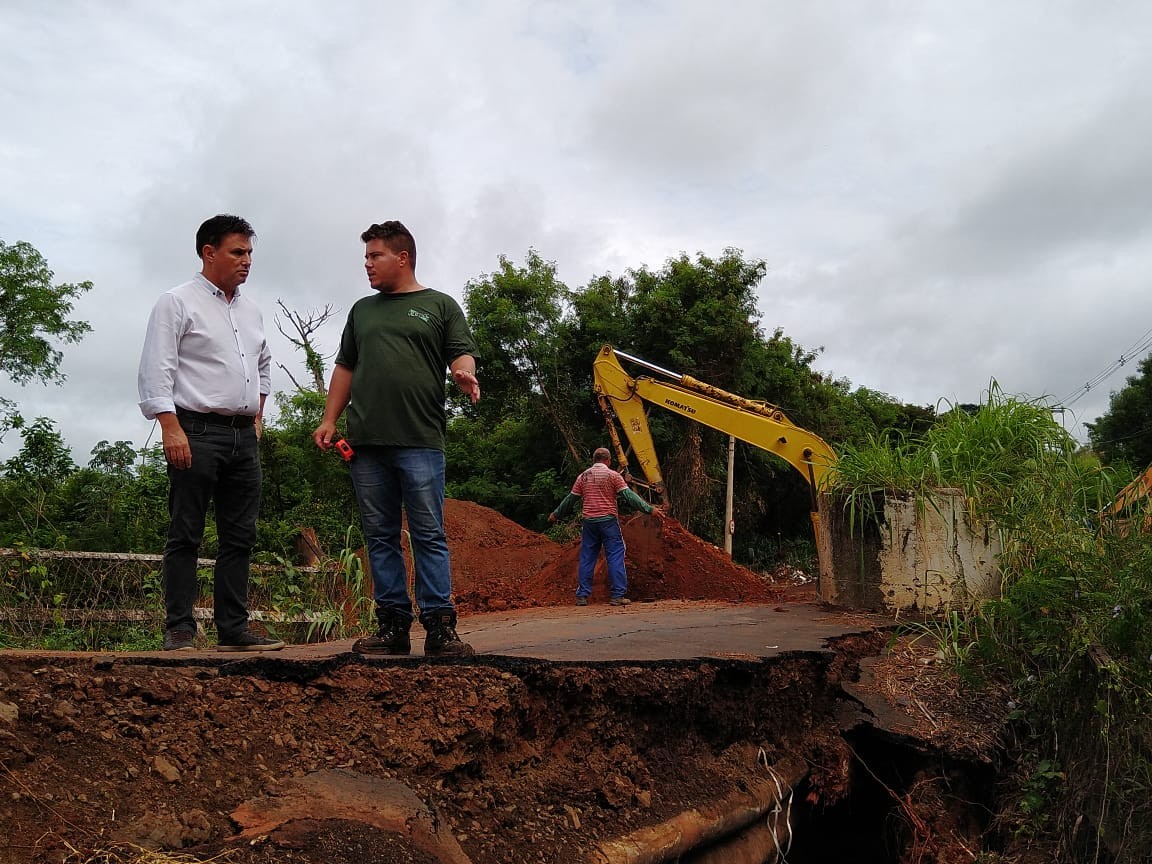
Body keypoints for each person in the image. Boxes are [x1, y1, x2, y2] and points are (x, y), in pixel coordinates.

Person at [313, 220, 480, 657]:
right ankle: (392, 627)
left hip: (420, 440)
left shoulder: (439, 305)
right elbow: (345, 367)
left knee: (428, 533)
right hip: (366, 443)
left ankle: (441, 627)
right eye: (365, 257)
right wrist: (330, 418)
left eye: (375, 256)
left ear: (402, 257)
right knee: (380, 536)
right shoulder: (362, 311)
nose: (367, 265)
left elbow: (460, 351)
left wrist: (465, 374)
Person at [138, 214, 283, 652]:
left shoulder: (251, 309)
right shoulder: (176, 302)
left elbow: (262, 364)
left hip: (243, 437)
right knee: (187, 531)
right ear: (209, 252)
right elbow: (155, 367)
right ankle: (180, 627)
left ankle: (233, 629)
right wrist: (170, 427)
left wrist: (257, 415)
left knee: (240, 536)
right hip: (195, 430)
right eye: (238, 252)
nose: (247, 261)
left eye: (250, 253)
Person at [548, 448, 662, 606]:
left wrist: (556, 514)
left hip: (589, 523)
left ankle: (582, 596)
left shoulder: (583, 477)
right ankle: (617, 596)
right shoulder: (613, 476)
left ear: (594, 460)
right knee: (615, 555)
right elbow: (629, 496)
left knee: (587, 557)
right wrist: (650, 509)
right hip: (608, 521)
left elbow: (571, 499)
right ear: (608, 460)